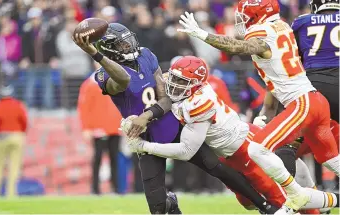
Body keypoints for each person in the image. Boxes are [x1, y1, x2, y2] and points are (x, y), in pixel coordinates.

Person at [73, 22, 281, 214]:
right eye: (122, 44)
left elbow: (165, 98)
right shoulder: (104, 75)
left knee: (218, 168)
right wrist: (94, 53)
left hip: (172, 125)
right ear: (110, 49)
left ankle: (264, 205)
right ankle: (170, 204)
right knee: (158, 208)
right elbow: (124, 79)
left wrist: (146, 115)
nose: (129, 45)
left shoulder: (146, 55)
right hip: (145, 139)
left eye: (128, 40)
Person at [176, 0, 339, 211]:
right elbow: (276, 80)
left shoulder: (263, 31)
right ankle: (329, 200)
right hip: (313, 100)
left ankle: (296, 193)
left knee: (258, 149)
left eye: (245, 16)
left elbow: (240, 47)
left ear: (257, 15)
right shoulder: (282, 26)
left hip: (303, 102)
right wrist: (265, 113)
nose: (242, 21)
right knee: (331, 160)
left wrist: (203, 35)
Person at [126, 56, 339, 214]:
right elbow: (164, 96)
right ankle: (321, 200)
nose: (174, 84)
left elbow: (186, 150)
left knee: (283, 204)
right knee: (247, 202)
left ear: (195, 85)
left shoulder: (199, 103)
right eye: (174, 78)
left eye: (181, 81)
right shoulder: (187, 89)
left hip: (246, 151)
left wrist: (144, 146)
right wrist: (140, 116)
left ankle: (328, 203)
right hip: (232, 150)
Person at [291, 0, 340, 190]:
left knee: (288, 144)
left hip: (313, 87)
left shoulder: (302, 21)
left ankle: (288, 198)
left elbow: (292, 58)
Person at [77, 71, 122, 194]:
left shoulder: (116, 79)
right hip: (98, 128)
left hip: (115, 127)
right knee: (97, 158)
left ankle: (115, 189)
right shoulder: (90, 84)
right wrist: (86, 127)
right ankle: (95, 189)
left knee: (114, 159)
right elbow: (84, 106)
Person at [0, 85, 27, 197]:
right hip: (17, 136)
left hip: (2, 137)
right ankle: (11, 194)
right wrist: (21, 132)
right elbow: (24, 121)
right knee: (14, 166)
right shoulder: (18, 105)